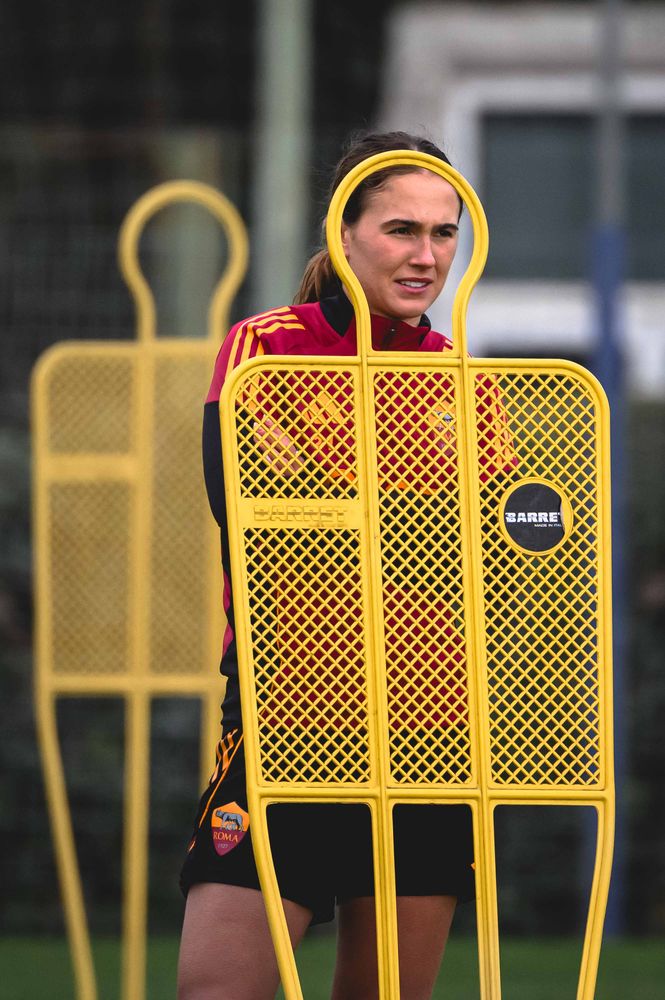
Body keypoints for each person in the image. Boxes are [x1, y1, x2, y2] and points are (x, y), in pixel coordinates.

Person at [177, 130, 514, 1000]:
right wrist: (412, 530)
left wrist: (329, 502)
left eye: (444, 233)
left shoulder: (465, 383)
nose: (427, 255)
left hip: (431, 721)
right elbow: (253, 518)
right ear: (343, 234)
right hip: (291, 707)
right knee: (217, 989)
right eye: (402, 229)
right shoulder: (268, 347)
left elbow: (486, 564)